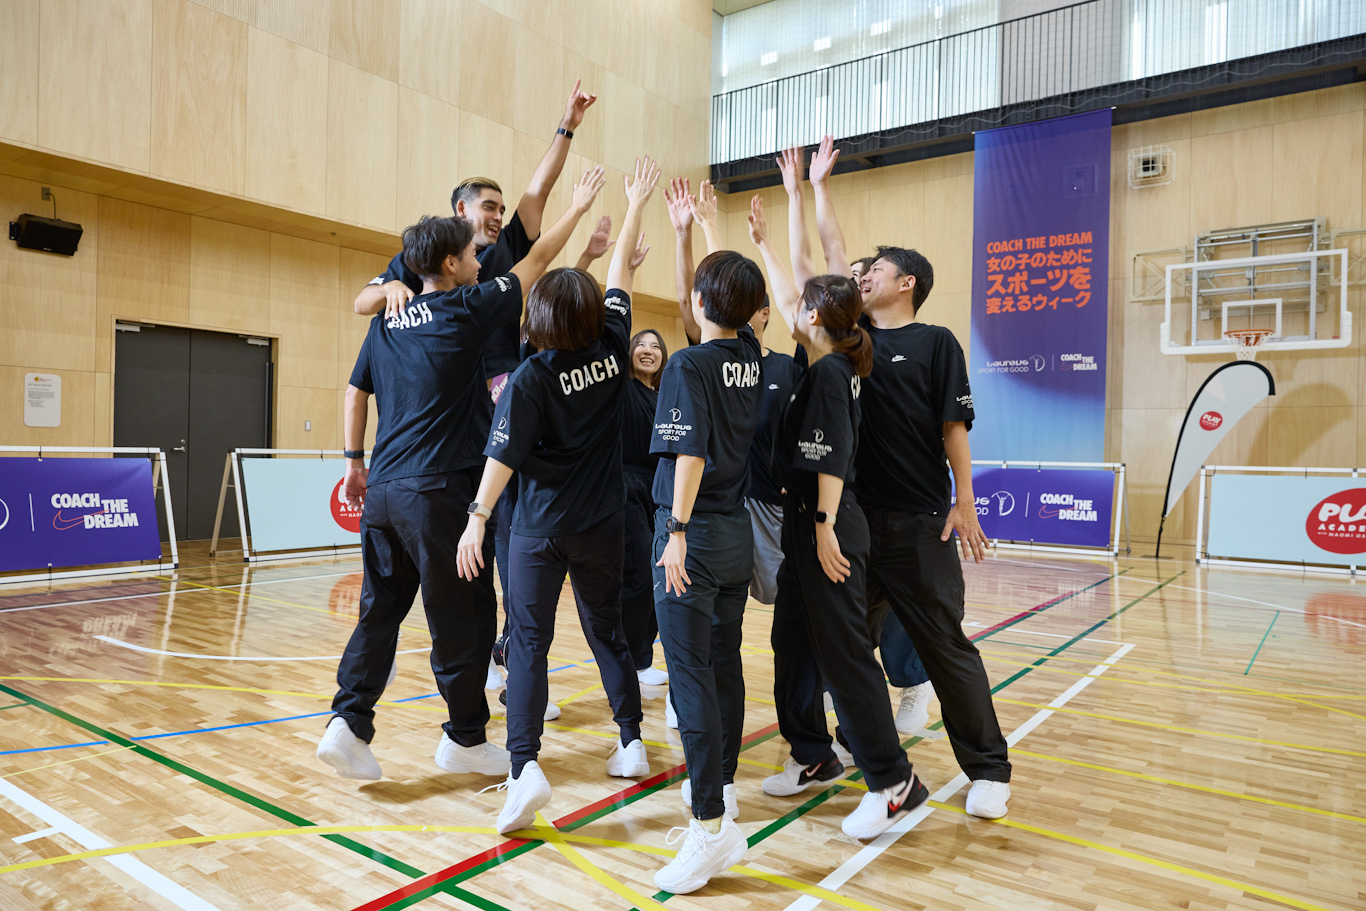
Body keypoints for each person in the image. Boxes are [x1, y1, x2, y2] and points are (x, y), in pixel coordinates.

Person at [316, 168, 606, 783]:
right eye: (473, 253)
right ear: (450, 264)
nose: (482, 258)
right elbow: (537, 262)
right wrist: (576, 210)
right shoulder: (466, 306)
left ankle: (347, 720)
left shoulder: (386, 322)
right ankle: (466, 738)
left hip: (385, 493)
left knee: (380, 609)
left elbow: (353, 394)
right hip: (439, 491)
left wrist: (354, 463)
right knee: (465, 617)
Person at [353, 81, 607, 692]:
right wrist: (386, 291)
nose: (497, 215)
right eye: (485, 208)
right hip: (451, 432)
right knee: (468, 550)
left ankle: (508, 652)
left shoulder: (500, 257)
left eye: (499, 207)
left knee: (509, 529)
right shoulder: (428, 264)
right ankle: (477, 692)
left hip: (504, 403)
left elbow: (537, 193)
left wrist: (567, 124)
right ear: (456, 222)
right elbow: (362, 303)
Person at [800, 138, 1012, 819]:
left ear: (906, 283)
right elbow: (835, 256)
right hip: (857, 527)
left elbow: (955, 429)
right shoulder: (854, 338)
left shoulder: (936, 343)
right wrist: (818, 188)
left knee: (945, 649)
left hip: (919, 526)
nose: (864, 276)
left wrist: (965, 502)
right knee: (842, 651)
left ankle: (989, 768)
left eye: (878, 270)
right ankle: (881, 768)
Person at [456, 158, 662, 835]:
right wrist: (634, 204)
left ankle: (525, 768)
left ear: (539, 317)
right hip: (604, 525)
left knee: (530, 642)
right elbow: (622, 279)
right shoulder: (612, 345)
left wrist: (478, 519)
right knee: (608, 633)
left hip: (539, 531)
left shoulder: (531, 379)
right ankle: (630, 740)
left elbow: (501, 457)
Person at [748, 192, 928, 839]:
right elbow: (794, 278)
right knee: (792, 641)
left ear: (818, 316)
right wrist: (764, 241)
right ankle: (813, 755)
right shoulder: (821, 359)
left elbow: (831, 459)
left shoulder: (829, 375)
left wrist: (823, 528)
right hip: (806, 522)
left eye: (801, 304)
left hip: (826, 522)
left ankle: (893, 780)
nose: (789, 307)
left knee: (847, 657)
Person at [648, 202, 765, 893]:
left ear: (697, 301)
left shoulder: (688, 364)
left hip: (693, 532)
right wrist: (710, 235)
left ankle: (711, 825)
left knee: (690, 678)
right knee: (724, 665)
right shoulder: (750, 353)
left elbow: (687, 452)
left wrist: (676, 533)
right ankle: (723, 791)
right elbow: (731, 299)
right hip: (736, 535)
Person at [665, 178, 801, 607]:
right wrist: (697, 229)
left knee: (766, 602)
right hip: (730, 509)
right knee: (724, 626)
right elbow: (704, 294)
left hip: (737, 508)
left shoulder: (749, 360)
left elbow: (713, 290)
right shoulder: (730, 352)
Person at [622, 327, 670, 686]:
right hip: (624, 489)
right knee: (638, 576)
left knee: (659, 576)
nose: (648, 350)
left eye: (655, 346)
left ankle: (641, 658)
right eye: (641, 344)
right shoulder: (621, 389)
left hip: (659, 491)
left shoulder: (666, 398)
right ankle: (627, 660)